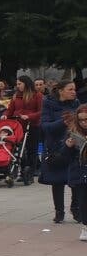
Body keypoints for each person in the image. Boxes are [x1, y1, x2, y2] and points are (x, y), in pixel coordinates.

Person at [41, 81, 84, 224]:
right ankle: (59, 211)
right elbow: (45, 126)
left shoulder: (76, 103)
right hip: (56, 147)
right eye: (70, 89)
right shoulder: (48, 103)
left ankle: (76, 209)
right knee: (57, 180)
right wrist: (63, 122)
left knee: (76, 179)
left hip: (73, 146)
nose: (74, 92)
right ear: (60, 91)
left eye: (74, 89)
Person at [5, 75, 43, 185]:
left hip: (32, 125)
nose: (17, 86)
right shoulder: (16, 96)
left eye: (19, 84)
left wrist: (29, 116)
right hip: (18, 126)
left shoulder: (37, 95)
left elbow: (41, 112)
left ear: (25, 84)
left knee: (31, 150)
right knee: (19, 150)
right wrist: (5, 115)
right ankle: (22, 172)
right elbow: (10, 110)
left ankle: (30, 173)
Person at [60, 105, 87, 241]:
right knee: (83, 200)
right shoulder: (72, 132)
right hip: (80, 172)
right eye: (81, 120)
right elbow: (65, 157)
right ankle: (85, 226)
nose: (83, 123)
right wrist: (67, 146)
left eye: (86, 120)